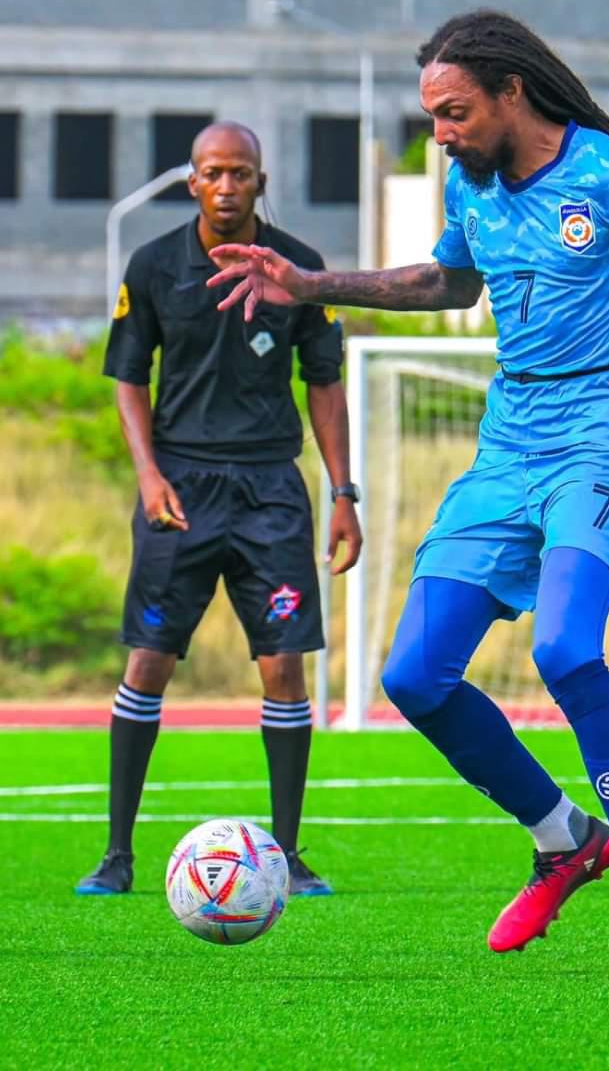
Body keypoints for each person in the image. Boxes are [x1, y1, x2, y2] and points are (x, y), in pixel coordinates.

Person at [208, 10, 609, 974]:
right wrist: (308, 284)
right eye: (434, 118)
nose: (442, 135)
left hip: (605, 436)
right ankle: (563, 836)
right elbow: (448, 283)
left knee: (565, 650)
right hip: (508, 447)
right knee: (413, 677)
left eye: (455, 113)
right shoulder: (473, 184)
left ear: (512, 93)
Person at [75, 122, 362, 898]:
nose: (227, 186)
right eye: (213, 173)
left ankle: (290, 854)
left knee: (283, 667)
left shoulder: (299, 266)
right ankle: (117, 856)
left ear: (260, 182)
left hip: (271, 489)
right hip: (183, 491)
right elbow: (128, 377)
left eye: (240, 173)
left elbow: (324, 382)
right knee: (149, 660)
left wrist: (342, 493)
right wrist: (147, 475)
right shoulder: (155, 265)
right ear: (192, 182)